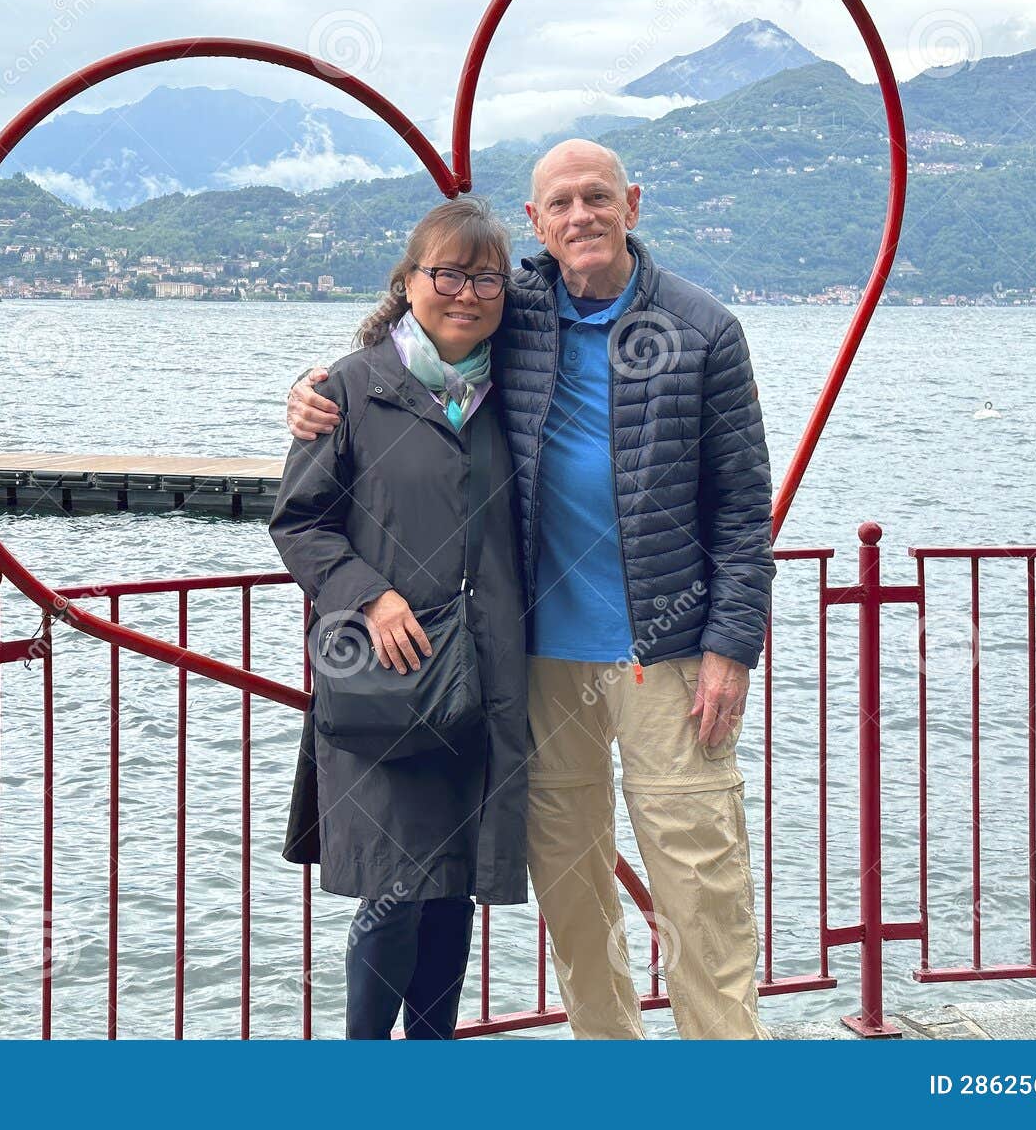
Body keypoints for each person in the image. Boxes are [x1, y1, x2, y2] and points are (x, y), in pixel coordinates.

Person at [286, 139, 776, 1039]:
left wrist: (731, 646)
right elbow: (418, 337)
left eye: (598, 197)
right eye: (561, 203)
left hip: (666, 657)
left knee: (700, 882)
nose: (581, 215)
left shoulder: (703, 327)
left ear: (632, 203)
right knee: (572, 888)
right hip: (538, 661)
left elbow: (745, 505)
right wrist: (317, 391)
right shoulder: (520, 308)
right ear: (536, 224)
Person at [269, 196, 529, 1040]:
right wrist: (369, 593)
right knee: (393, 889)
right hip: (390, 681)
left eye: (485, 276)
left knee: (453, 888)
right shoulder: (349, 388)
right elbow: (299, 522)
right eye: (446, 272)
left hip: (485, 680)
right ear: (408, 281)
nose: (466, 291)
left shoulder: (516, 388)